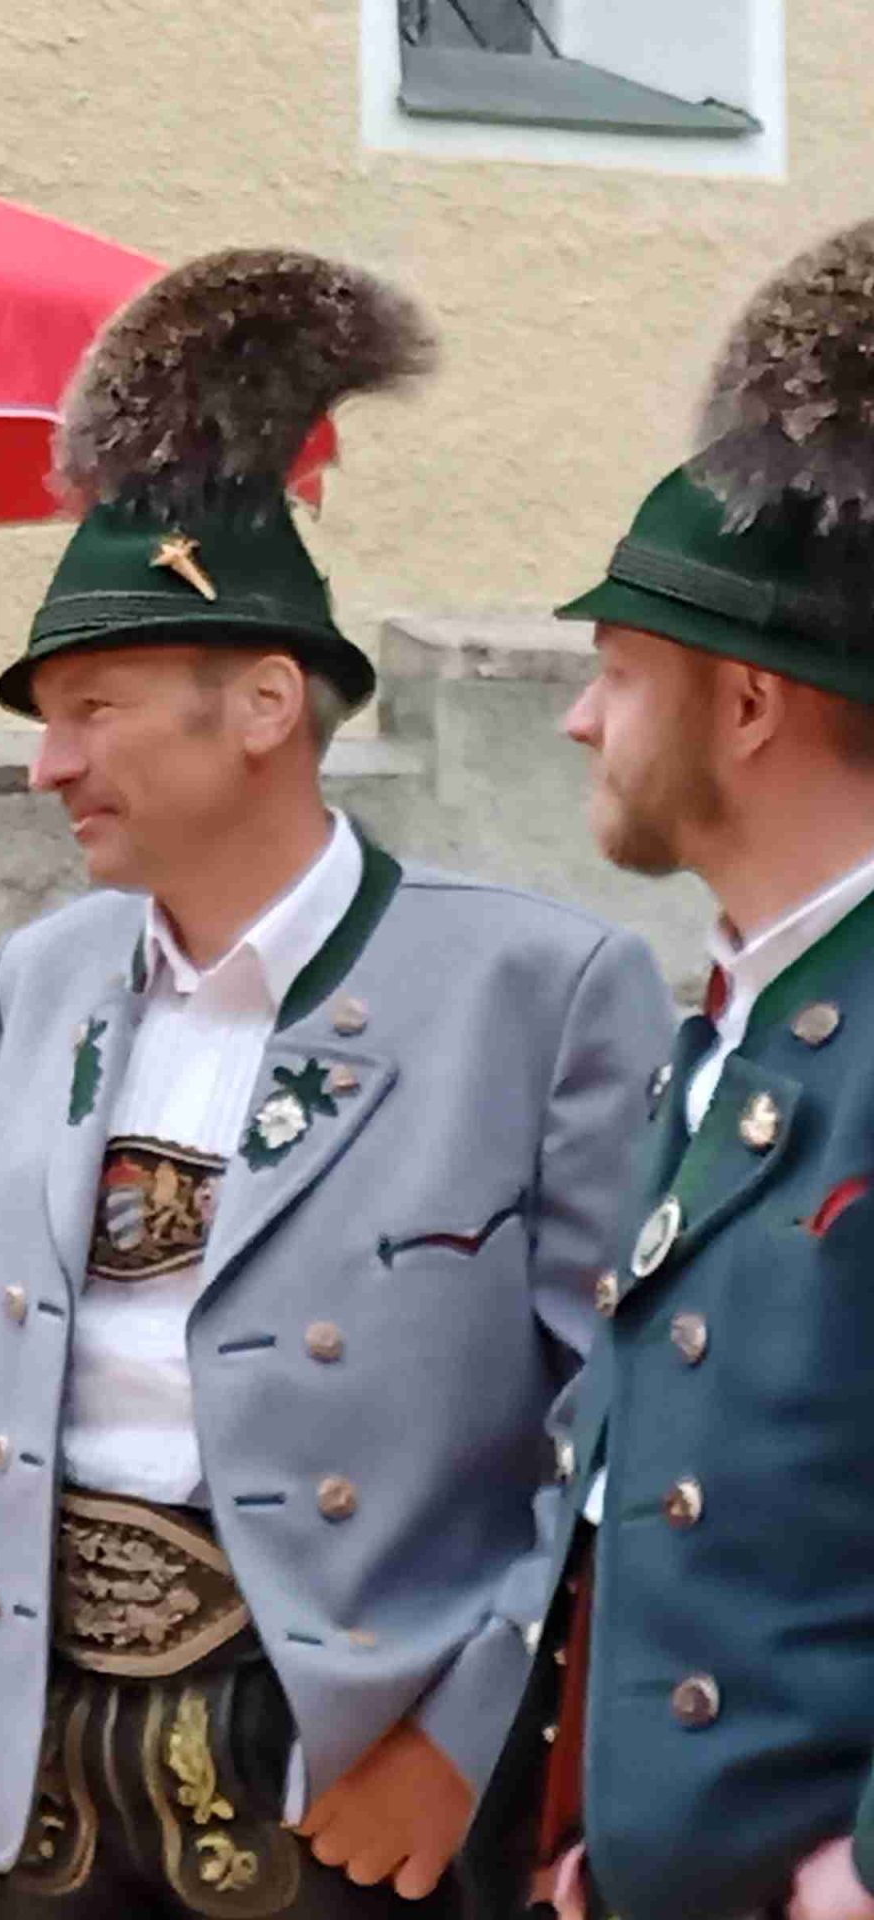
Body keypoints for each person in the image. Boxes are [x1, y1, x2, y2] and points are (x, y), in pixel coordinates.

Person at [0, 251, 671, 1920]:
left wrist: (459, 1738)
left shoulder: (538, 987)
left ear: (267, 705)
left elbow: (618, 1421)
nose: (47, 764)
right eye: (47, 718)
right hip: (41, 1762)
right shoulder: (39, 976)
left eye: (92, 709)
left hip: (343, 1759)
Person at [492, 218, 874, 1920]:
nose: (581, 720)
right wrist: (602, 1832)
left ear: (747, 706)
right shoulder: (739, 1020)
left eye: (619, 671)